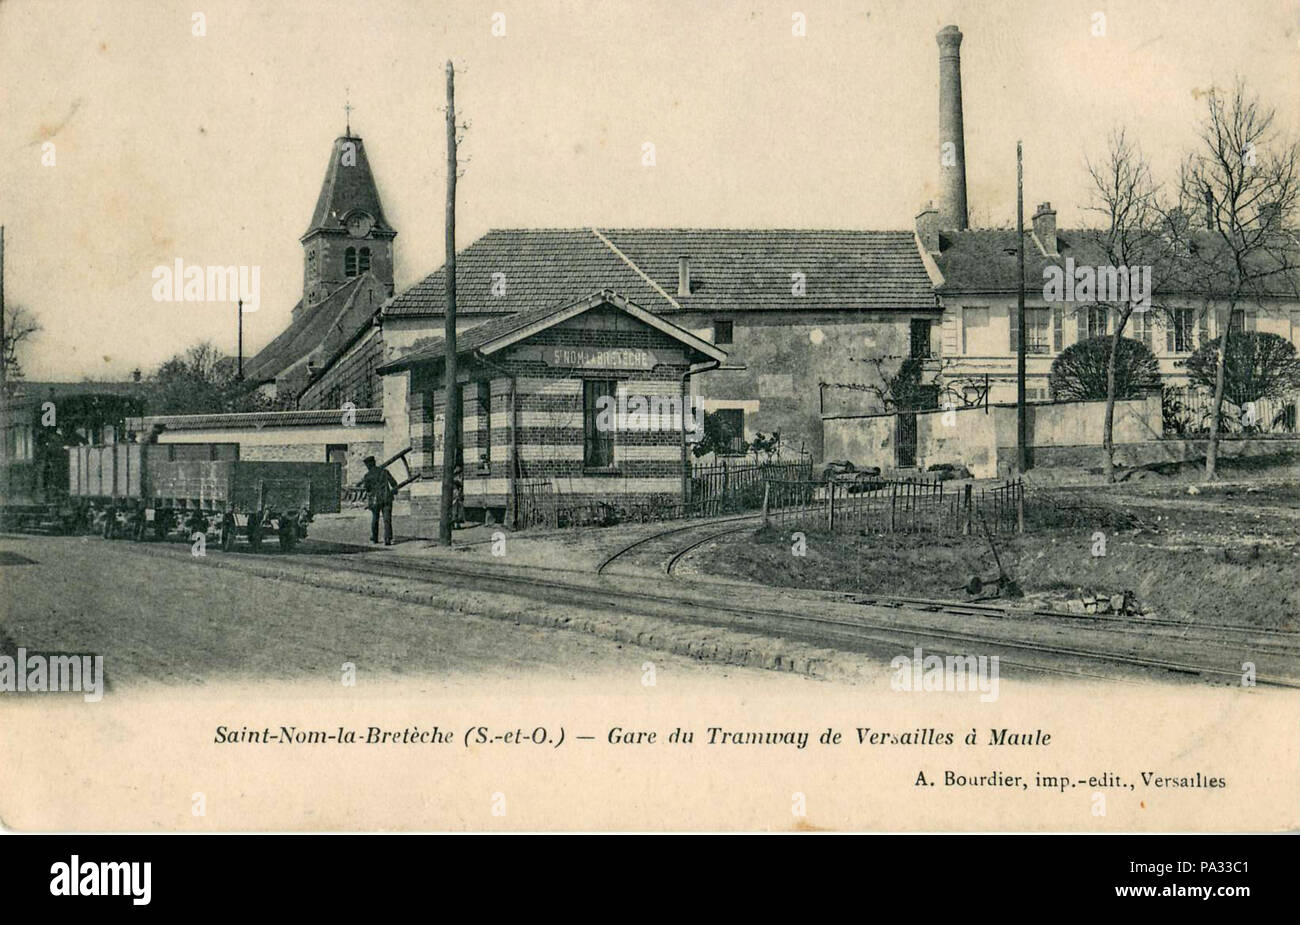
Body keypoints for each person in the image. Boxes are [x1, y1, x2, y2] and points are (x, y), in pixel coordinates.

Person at [358, 455, 398, 545]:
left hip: (375, 500)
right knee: (387, 519)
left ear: (368, 465)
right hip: (386, 498)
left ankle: (375, 538)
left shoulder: (367, 476)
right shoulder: (385, 472)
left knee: (375, 518)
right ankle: (387, 538)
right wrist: (394, 492)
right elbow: (394, 483)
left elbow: (367, 489)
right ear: (374, 463)